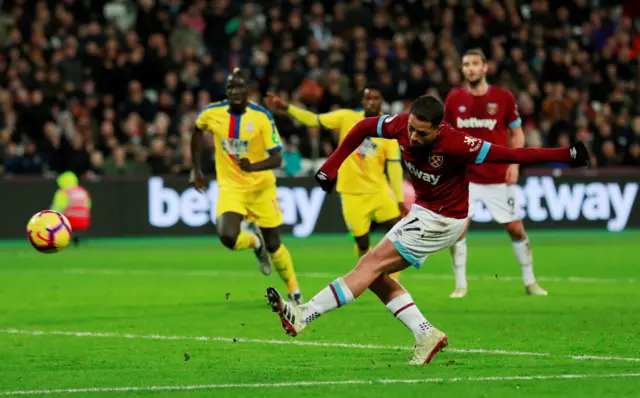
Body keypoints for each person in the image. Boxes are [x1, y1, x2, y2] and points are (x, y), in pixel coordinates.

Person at [265, 95, 588, 364]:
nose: (413, 138)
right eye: (412, 130)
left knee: (370, 264)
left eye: (422, 133)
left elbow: (513, 154)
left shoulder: (459, 143)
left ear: (438, 129)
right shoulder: (401, 125)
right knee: (375, 275)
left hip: (444, 219)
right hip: (424, 211)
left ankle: (304, 314)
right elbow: (363, 126)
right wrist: (330, 166)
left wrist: (566, 155)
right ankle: (425, 334)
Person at [266, 85, 406, 279]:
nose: (372, 102)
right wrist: (287, 107)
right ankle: (371, 276)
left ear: (381, 101)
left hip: (379, 191)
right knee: (362, 243)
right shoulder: (347, 117)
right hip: (351, 192)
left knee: (398, 232)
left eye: (376, 98)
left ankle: (394, 279)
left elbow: (394, 165)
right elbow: (314, 121)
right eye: (368, 98)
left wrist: (399, 198)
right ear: (363, 101)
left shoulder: (388, 127)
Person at [190, 68, 303, 304]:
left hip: (261, 187)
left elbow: (277, 158)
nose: (235, 91)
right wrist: (196, 168)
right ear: (227, 91)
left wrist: (253, 166)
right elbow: (197, 131)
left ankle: (294, 291)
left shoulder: (261, 117)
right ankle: (255, 242)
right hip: (231, 188)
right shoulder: (213, 112)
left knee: (275, 244)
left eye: (240, 87)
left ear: (248, 90)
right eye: (231, 87)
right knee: (227, 237)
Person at [444, 49, 547, 298]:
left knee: (515, 228)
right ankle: (460, 285)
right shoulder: (453, 100)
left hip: (497, 176)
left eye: (475, 64)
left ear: (485, 67)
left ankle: (530, 281)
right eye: (466, 64)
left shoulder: (503, 98)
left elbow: (517, 133)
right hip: (465, 178)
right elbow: (445, 134)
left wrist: (515, 163)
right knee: (458, 229)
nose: (470, 68)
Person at [50, 171, 91, 246]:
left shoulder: (63, 192)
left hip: (68, 221)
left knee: (54, 216)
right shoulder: (83, 191)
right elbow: (88, 206)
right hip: (84, 222)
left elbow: (57, 208)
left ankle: (57, 238)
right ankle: (76, 237)